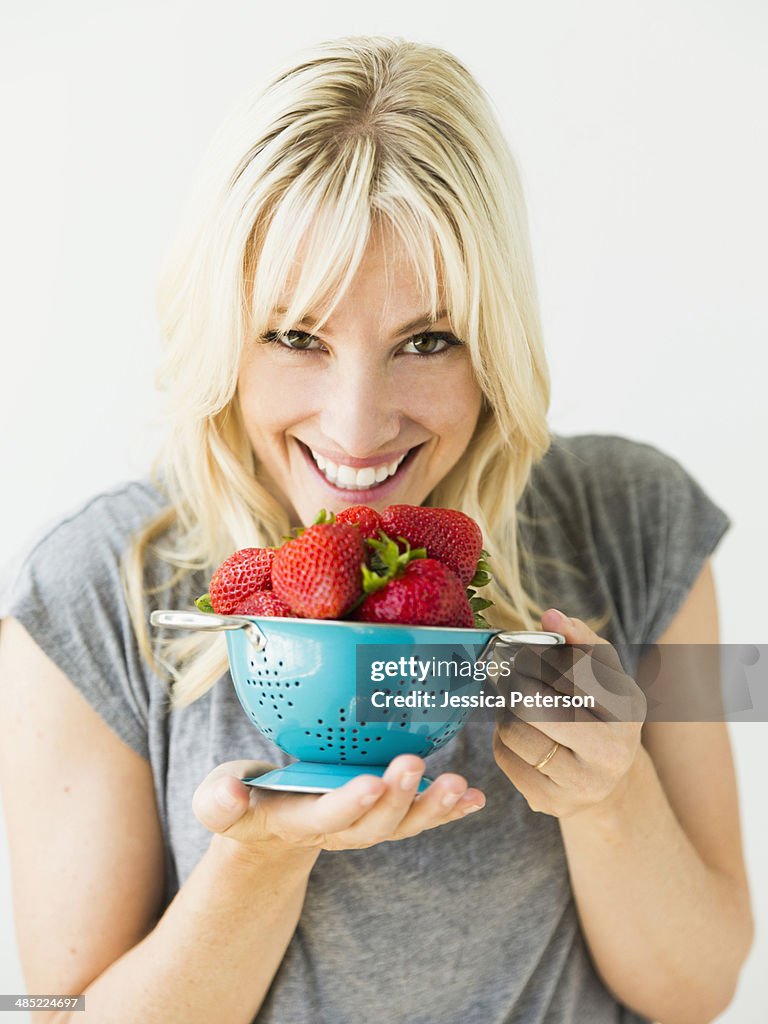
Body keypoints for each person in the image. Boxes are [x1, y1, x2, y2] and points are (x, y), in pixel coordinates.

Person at [0, 35, 753, 1024]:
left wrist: (609, 799)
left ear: (497, 345)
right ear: (223, 334)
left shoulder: (636, 522)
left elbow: (700, 988)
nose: (357, 425)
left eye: (429, 339)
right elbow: (54, 1015)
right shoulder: (86, 594)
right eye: (296, 336)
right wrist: (259, 864)